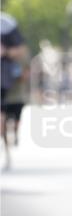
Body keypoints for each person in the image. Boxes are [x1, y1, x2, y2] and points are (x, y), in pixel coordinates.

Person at [1, 12, 29, 170]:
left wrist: (6, 52)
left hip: (10, 87)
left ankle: (9, 148)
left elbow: (22, 52)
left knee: (8, 119)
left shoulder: (7, 25)